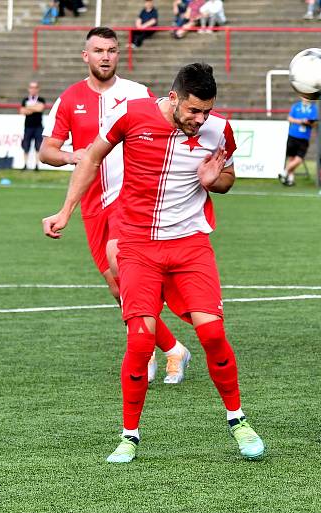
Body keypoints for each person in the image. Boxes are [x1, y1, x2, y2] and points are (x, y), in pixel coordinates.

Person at [42, 62, 266, 464]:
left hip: (190, 245)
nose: (201, 120)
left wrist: (215, 180)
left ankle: (239, 421)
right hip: (138, 244)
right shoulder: (133, 113)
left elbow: (229, 178)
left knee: (213, 334)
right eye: (194, 111)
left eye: (207, 112)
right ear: (174, 97)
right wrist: (65, 211)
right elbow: (92, 158)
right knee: (141, 340)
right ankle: (130, 435)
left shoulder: (218, 129)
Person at [39, 27, 191, 385]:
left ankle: (143, 352)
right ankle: (171, 348)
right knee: (117, 286)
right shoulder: (70, 98)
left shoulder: (137, 94)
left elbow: (167, 129)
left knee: (126, 272)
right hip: (92, 203)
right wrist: (71, 155)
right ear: (85, 56)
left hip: (133, 199)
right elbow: (47, 150)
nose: (105, 56)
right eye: (98, 50)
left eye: (112, 50)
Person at [279, 97, 318, 186]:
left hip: (304, 137)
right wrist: (300, 121)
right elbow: (289, 118)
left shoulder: (313, 108)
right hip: (293, 135)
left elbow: (315, 123)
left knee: (299, 159)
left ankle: (284, 172)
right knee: (291, 158)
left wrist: (309, 123)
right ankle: (290, 179)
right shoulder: (296, 106)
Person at [20, 81, 46, 171]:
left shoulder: (41, 99)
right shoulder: (25, 99)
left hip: (38, 126)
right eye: (31, 87)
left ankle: (37, 165)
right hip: (28, 126)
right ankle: (25, 164)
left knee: (38, 146)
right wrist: (35, 107)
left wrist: (29, 107)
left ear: (38, 89)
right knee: (26, 145)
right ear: (29, 89)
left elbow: (41, 108)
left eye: (35, 87)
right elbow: (22, 111)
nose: (33, 89)